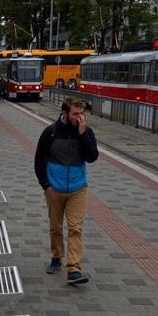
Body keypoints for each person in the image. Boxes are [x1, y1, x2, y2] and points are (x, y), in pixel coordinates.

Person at [34, 97, 99, 285]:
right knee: (55, 227)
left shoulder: (86, 132)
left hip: (78, 188)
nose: (79, 118)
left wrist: (82, 134)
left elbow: (92, 157)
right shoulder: (50, 133)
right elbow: (39, 160)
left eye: (82, 114)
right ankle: (56, 257)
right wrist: (46, 186)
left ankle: (74, 269)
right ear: (64, 113)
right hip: (55, 188)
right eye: (75, 114)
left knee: (75, 228)